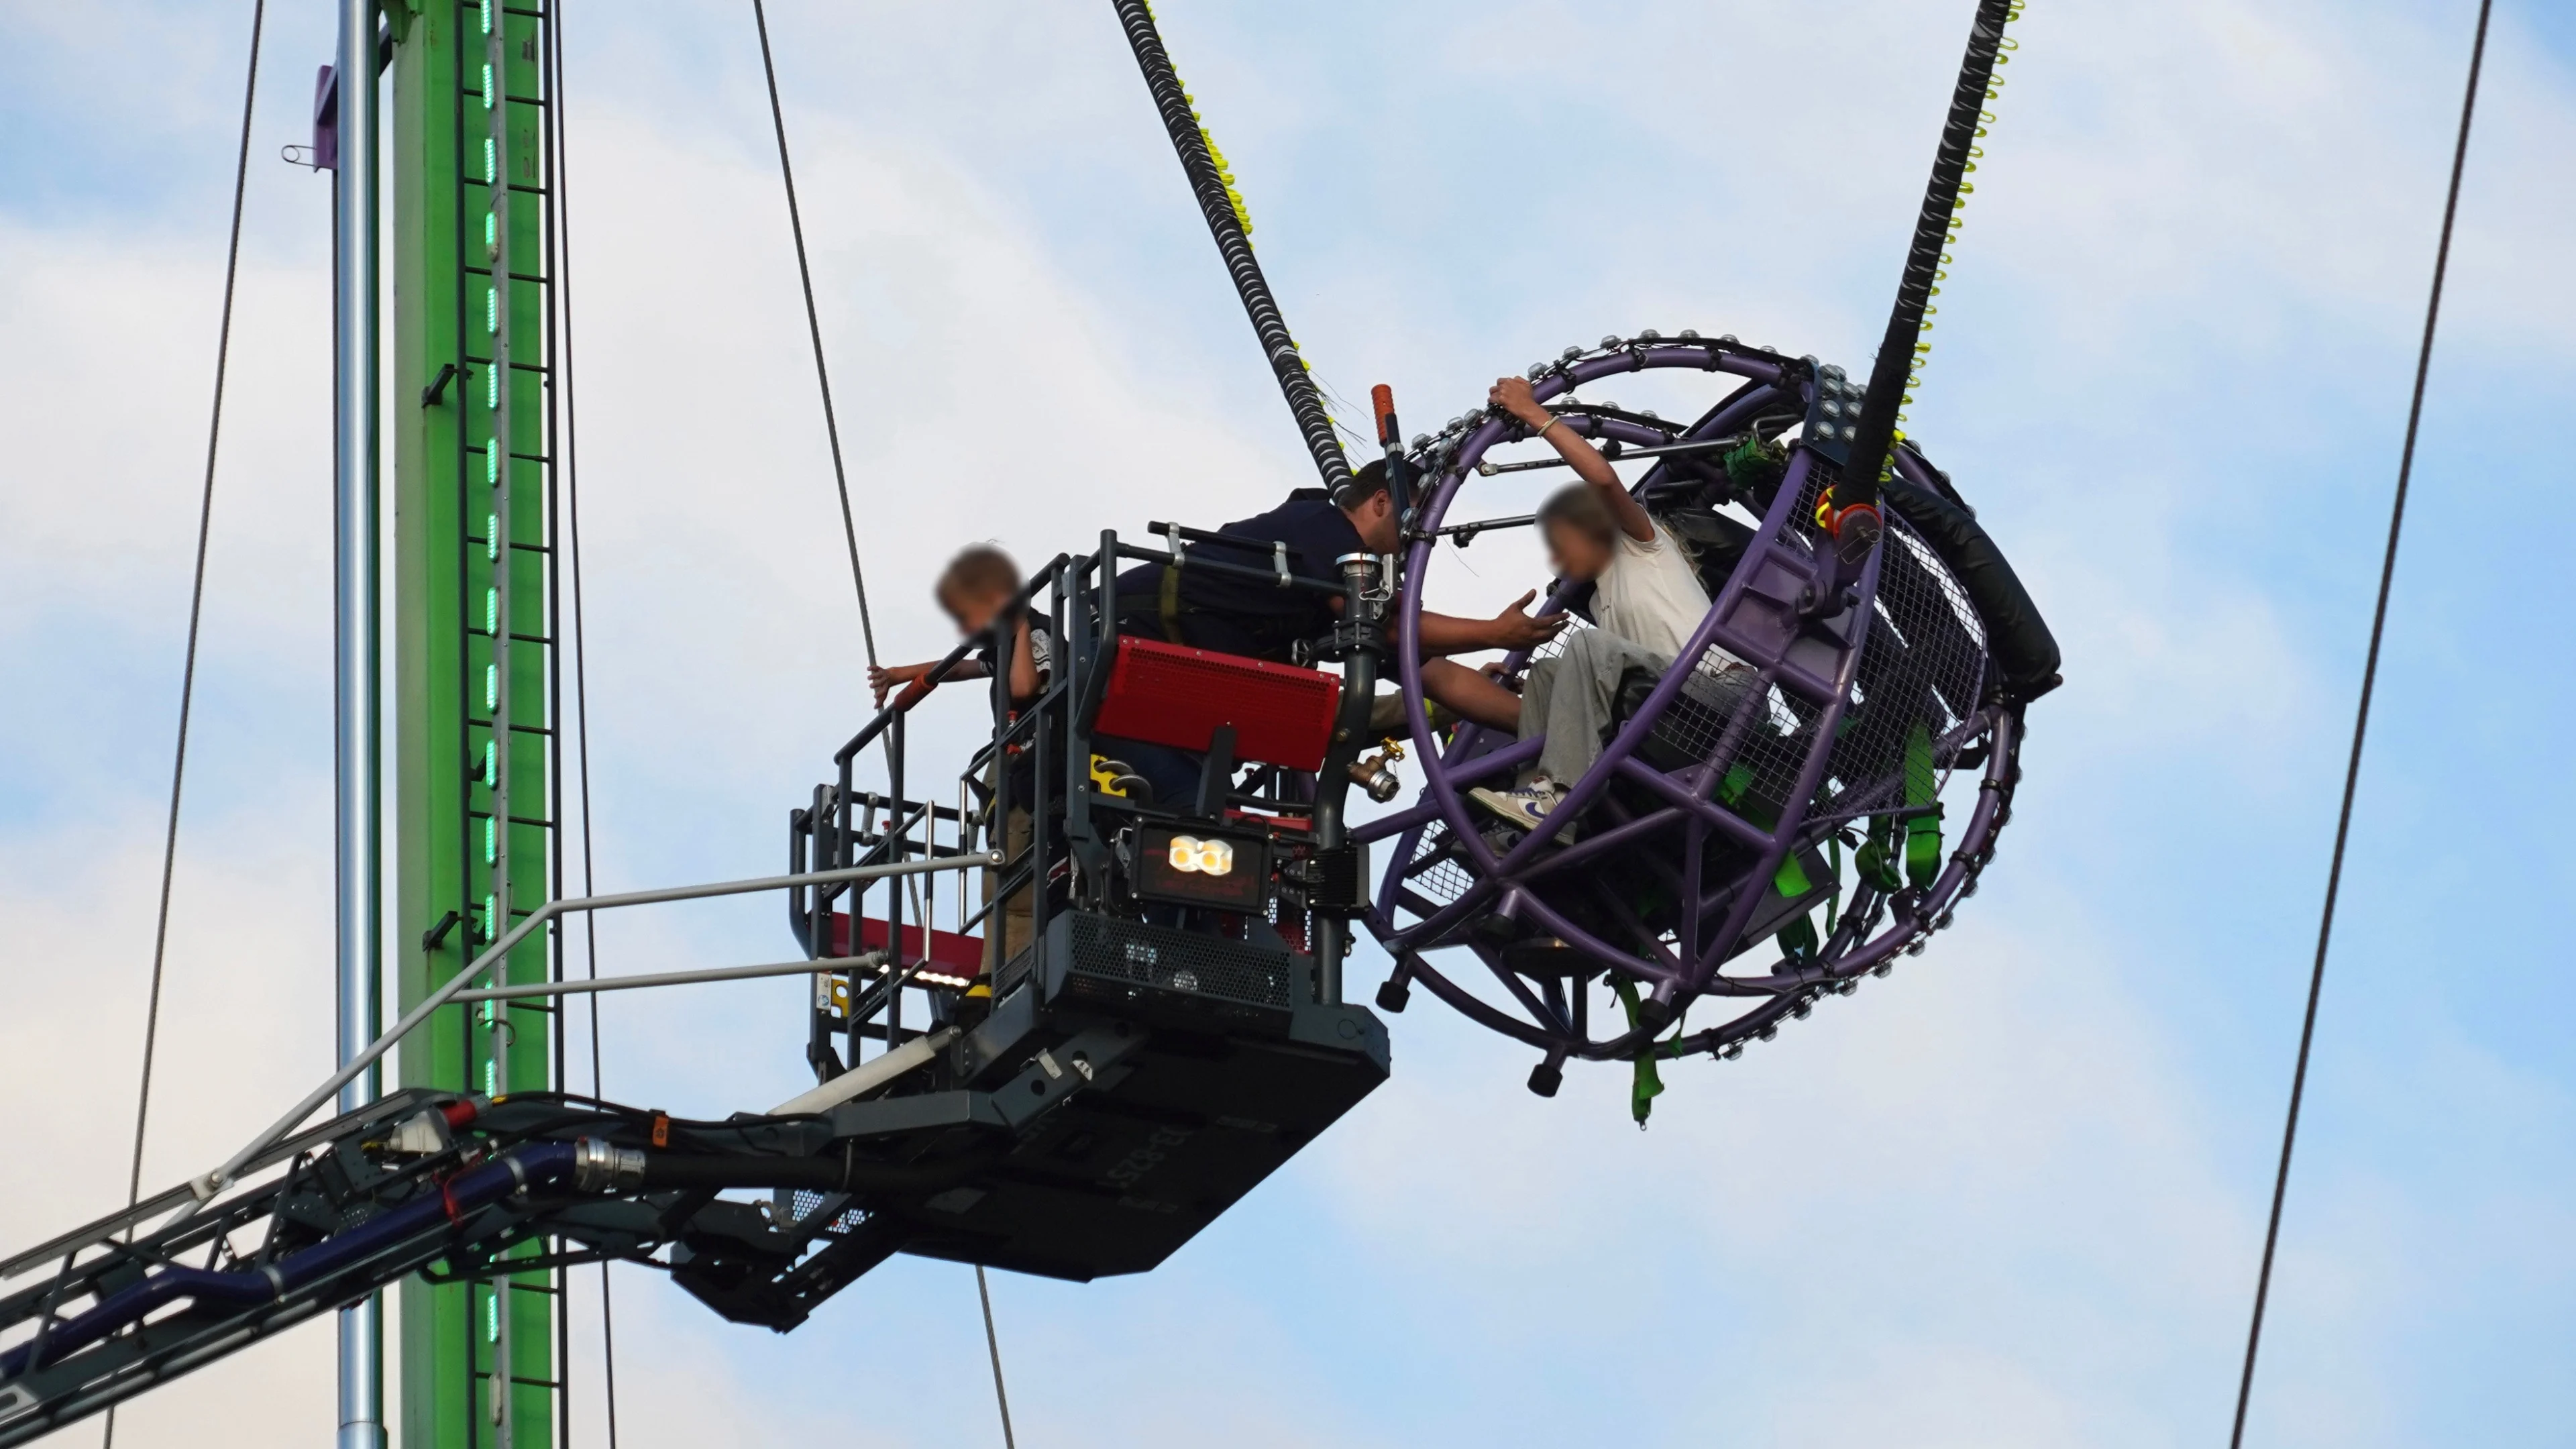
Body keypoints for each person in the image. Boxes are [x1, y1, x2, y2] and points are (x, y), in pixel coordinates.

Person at [1106, 458, 1566, 802]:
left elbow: (1437, 675)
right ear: (1381, 502)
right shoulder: (1323, 527)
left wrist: (1556, 728)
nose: (1418, 542)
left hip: (1175, 688)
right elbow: (1396, 632)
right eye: (1417, 525)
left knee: (1198, 819)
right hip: (1129, 646)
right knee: (1186, 819)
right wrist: (1496, 632)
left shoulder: (1341, 598)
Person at [1424, 376, 1757, 828]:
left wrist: (1536, 416)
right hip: (1669, 699)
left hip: (1720, 693)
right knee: (1546, 673)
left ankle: (1558, 793)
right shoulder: (1603, 601)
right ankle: (1532, 805)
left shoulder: (1644, 546)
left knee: (1585, 646)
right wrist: (1564, 692)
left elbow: (1602, 477)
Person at [867, 545, 1051, 972]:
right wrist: (900, 675)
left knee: (1013, 885)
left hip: (1033, 768)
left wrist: (1022, 626)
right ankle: (993, 977)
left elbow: (1024, 688)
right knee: (998, 881)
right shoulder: (1007, 643)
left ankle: (1003, 978)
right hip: (1012, 773)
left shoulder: (1036, 634)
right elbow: (964, 667)